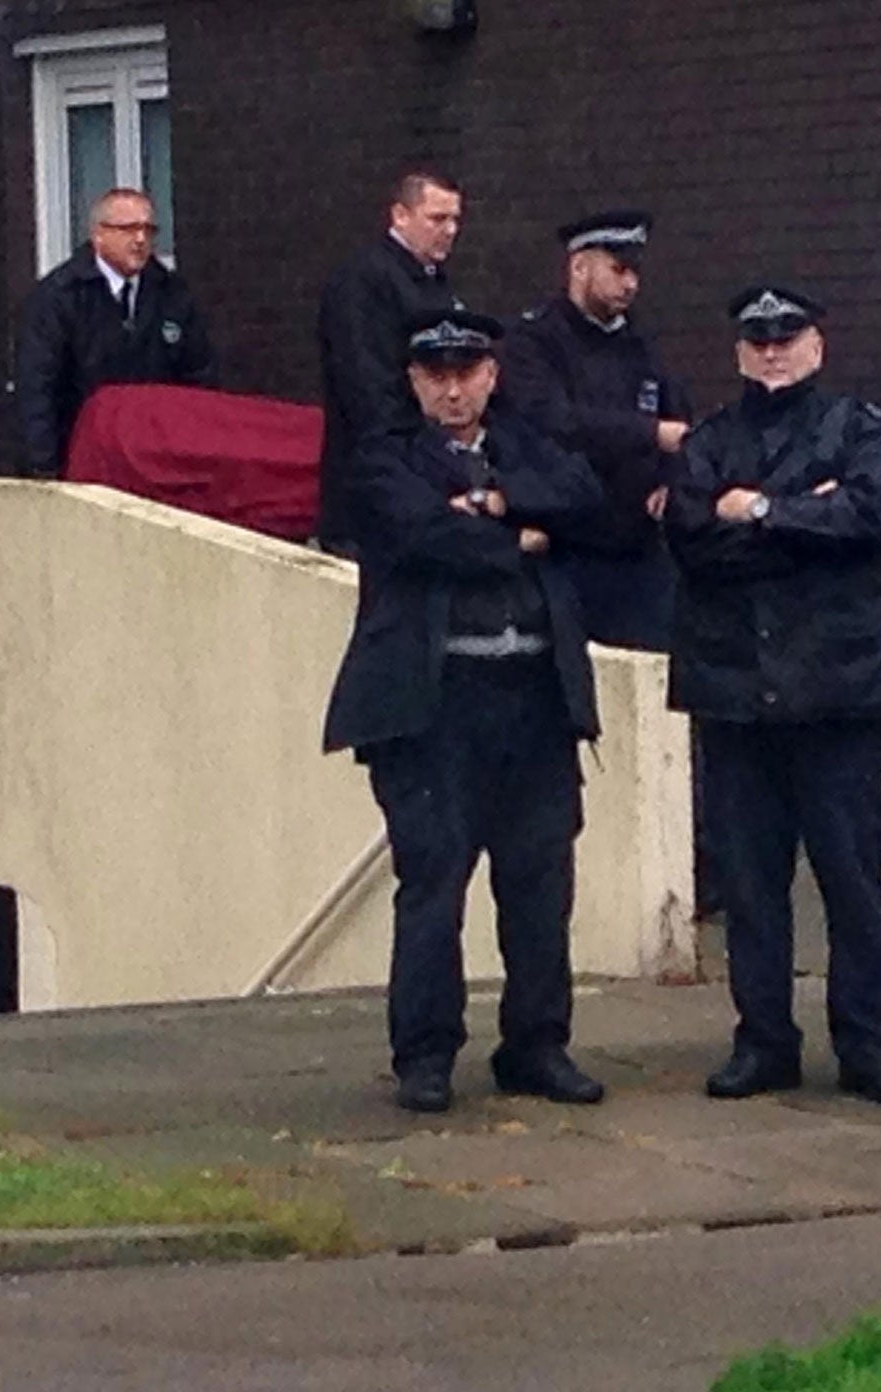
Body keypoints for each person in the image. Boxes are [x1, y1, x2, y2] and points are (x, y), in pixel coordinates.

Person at [322, 309, 608, 1115]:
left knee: (540, 885)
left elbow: (585, 500)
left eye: (467, 372)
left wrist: (496, 499)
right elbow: (422, 538)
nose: (452, 389)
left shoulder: (525, 450)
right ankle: (424, 1054)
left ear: (490, 376)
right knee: (433, 884)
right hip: (434, 709)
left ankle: (538, 1043)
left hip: (533, 701)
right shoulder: (385, 458)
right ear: (415, 382)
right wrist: (520, 536)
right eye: (435, 375)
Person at [663, 284, 881, 1108]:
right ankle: (763, 1041)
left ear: (819, 343)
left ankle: (870, 1045)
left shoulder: (864, 430)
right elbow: (695, 541)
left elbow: (869, 518)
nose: (772, 350)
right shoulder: (709, 441)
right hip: (738, 695)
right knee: (749, 888)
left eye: (788, 336)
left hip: (837, 696)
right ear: (739, 350)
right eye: (757, 338)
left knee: (853, 882)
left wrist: (764, 512)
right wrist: (802, 522)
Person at [499, 209, 693, 650]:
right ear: (579, 266)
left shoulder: (643, 342)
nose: (631, 285)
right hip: (567, 545)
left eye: (636, 273)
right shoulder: (536, 340)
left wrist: (669, 478)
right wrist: (649, 434)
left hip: (637, 546)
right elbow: (552, 419)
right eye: (619, 270)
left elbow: (680, 418)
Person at [14, 188, 215, 478]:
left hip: (156, 464)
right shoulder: (58, 297)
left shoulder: (172, 294)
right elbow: (37, 390)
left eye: (148, 229)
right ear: (98, 235)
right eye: (128, 229)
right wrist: (45, 473)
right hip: (83, 462)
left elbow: (200, 379)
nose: (140, 240)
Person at [316, 171, 468, 556]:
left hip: (421, 482)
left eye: (455, 219)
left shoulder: (432, 282)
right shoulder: (364, 281)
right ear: (400, 215)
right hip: (373, 498)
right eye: (437, 219)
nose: (450, 230)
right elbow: (368, 389)